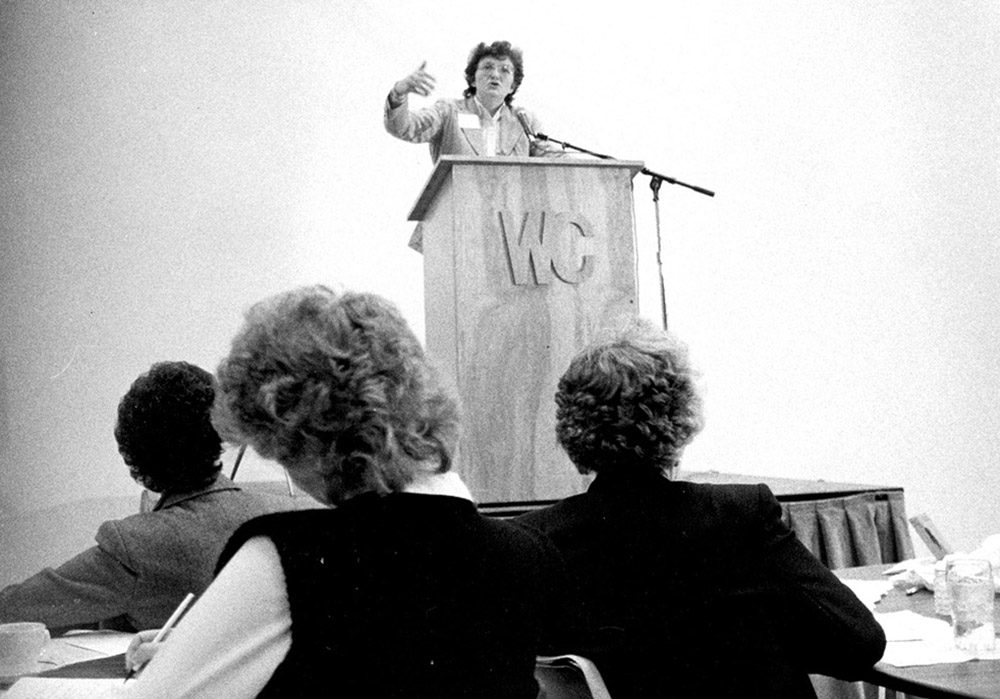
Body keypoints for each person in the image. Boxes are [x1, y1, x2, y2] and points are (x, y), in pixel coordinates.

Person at [125, 286, 565, 698]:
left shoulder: (287, 554)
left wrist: (194, 659)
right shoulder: (523, 554)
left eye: (279, 452)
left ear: (310, 442)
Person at [516, 318, 887, 699]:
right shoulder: (738, 516)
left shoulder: (533, 541)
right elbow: (859, 643)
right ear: (680, 418)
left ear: (572, 427)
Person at [0, 361, 302, 633]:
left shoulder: (133, 544)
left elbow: (13, 609)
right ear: (219, 432)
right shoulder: (291, 514)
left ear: (135, 452)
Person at [384, 40, 562, 162]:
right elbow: (404, 128)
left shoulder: (524, 121)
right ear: (472, 79)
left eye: (505, 70)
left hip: (511, 216)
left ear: (512, 86)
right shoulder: (448, 111)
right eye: (488, 67)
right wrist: (399, 92)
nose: (495, 74)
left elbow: (557, 160)